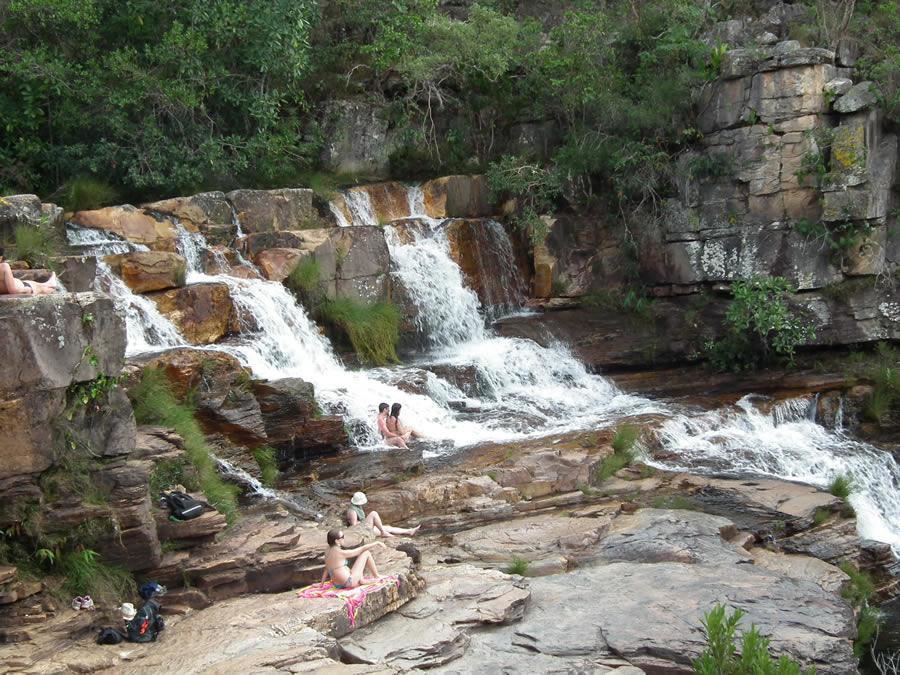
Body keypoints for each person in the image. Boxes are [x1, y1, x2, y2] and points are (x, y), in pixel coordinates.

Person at [321, 529, 386, 589]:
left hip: (337, 584)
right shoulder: (340, 552)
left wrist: (322, 584)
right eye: (342, 537)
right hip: (349, 582)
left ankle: (361, 579)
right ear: (336, 541)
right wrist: (377, 543)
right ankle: (376, 576)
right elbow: (361, 549)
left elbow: (327, 567)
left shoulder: (327, 550)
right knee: (366, 553)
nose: (344, 539)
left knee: (350, 565)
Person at [346, 491, 419, 538]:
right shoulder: (352, 511)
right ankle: (383, 532)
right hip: (362, 530)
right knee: (373, 514)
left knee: (388, 527)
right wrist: (366, 522)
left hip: (364, 526)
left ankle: (409, 531)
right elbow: (354, 526)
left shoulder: (357, 507)